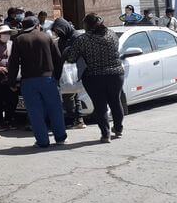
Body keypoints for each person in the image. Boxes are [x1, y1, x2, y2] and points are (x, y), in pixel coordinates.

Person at [7, 17, 67, 148]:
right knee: (55, 109)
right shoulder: (46, 37)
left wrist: (11, 82)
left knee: (35, 112)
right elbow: (58, 59)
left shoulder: (19, 40)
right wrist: (57, 76)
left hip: (28, 81)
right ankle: (60, 138)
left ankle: (42, 141)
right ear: (37, 25)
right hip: (48, 79)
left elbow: (13, 63)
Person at [65, 14, 125, 143]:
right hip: (116, 74)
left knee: (100, 106)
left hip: (94, 77)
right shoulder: (111, 34)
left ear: (87, 25)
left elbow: (71, 58)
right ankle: (119, 129)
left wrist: (67, 50)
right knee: (115, 101)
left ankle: (105, 134)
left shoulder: (83, 39)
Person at [50, 17, 86, 130]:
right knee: (73, 93)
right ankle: (78, 119)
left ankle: (74, 118)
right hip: (66, 70)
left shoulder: (76, 37)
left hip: (74, 69)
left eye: (58, 30)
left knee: (70, 94)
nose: (57, 33)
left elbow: (77, 53)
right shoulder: (63, 38)